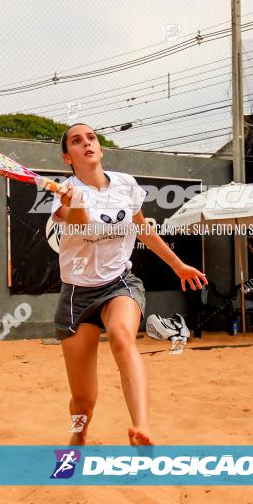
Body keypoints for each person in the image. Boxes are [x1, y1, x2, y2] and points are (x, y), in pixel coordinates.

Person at [50, 123, 207, 446]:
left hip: (119, 283)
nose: (87, 143)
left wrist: (178, 266)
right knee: (83, 400)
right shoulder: (64, 193)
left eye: (91, 138)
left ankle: (142, 427)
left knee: (123, 335)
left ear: (100, 148)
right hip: (76, 296)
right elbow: (80, 226)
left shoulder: (126, 185)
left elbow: (142, 227)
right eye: (77, 142)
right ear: (69, 157)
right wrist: (75, 201)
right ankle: (78, 437)